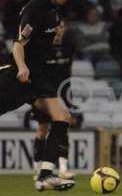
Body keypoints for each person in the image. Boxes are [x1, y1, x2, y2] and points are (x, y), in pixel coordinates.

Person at [0, 0, 77, 191]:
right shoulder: (36, 8)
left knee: (62, 117)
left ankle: (45, 175)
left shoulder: (55, 9)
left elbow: (42, 42)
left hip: (38, 77)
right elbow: (18, 44)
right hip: (20, 75)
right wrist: (22, 67)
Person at [25, 20, 82, 181]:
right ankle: (37, 168)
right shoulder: (43, 48)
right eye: (56, 28)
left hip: (60, 93)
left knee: (63, 126)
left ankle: (63, 169)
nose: (58, 31)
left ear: (64, 29)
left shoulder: (68, 48)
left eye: (61, 28)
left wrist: (69, 101)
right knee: (42, 130)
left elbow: (67, 76)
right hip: (44, 95)